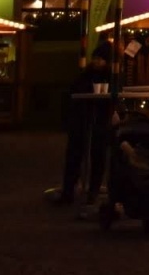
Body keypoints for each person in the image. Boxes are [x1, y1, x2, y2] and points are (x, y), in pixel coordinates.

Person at [54, 44, 114, 204]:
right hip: (84, 117)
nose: (96, 61)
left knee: (95, 152)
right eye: (95, 58)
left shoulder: (109, 76)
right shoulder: (90, 75)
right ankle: (72, 189)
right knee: (78, 153)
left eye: (100, 59)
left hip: (96, 118)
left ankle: (89, 190)